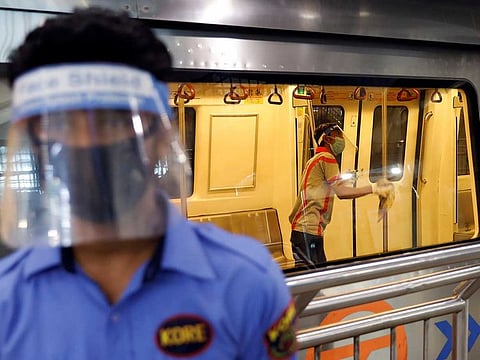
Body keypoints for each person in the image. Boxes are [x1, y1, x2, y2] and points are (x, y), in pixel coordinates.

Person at [0, 7, 298, 359]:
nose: (86, 142)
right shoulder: (8, 299)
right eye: (60, 124)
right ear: (34, 144)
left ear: (160, 137)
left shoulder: (247, 281)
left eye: (114, 121)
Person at [289, 123, 393, 266]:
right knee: (315, 279)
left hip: (304, 229)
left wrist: (345, 178)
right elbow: (342, 193)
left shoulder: (316, 159)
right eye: (338, 136)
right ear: (327, 139)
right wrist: (374, 188)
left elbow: (321, 185)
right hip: (308, 230)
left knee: (315, 277)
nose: (341, 140)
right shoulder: (327, 158)